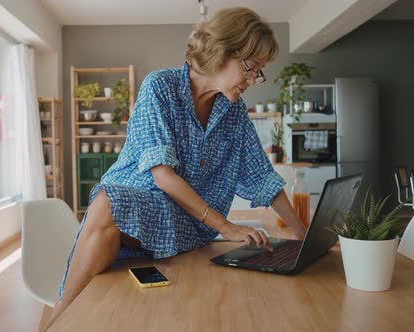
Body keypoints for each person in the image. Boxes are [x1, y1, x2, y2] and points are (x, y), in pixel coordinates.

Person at [45, 7, 307, 329]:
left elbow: (261, 175)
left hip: (187, 226)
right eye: (250, 68)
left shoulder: (233, 111)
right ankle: (58, 319)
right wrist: (228, 227)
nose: (253, 80)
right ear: (222, 51)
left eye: (259, 72)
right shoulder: (160, 87)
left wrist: (301, 234)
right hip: (137, 206)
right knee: (107, 203)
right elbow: (162, 175)